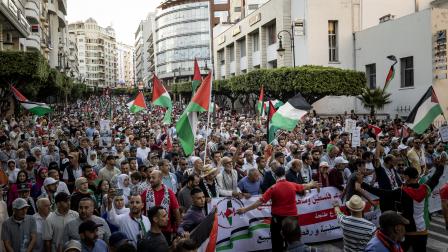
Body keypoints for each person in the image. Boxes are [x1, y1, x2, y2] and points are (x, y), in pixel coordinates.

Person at [361, 156, 445, 251]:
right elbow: (436, 177)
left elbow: (381, 192)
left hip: (407, 230)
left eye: (405, 176)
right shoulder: (425, 189)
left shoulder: (402, 192)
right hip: (422, 230)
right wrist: (440, 166)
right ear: (417, 177)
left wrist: (362, 184)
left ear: (407, 177)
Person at [237, 167, 320, 251]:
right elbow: (303, 186)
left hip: (278, 220)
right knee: (294, 241)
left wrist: (245, 209)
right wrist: (311, 184)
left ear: (275, 175)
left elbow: (259, 202)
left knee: (277, 243)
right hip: (292, 219)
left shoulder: (273, 188)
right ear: (284, 174)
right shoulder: (292, 185)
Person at [140, 170, 180, 244]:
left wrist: (178, 229)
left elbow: (176, 211)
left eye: (153, 178)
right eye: (150, 178)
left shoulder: (169, 193)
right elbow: (140, 210)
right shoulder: (145, 193)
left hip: (165, 231)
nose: (151, 180)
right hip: (149, 230)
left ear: (160, 178)